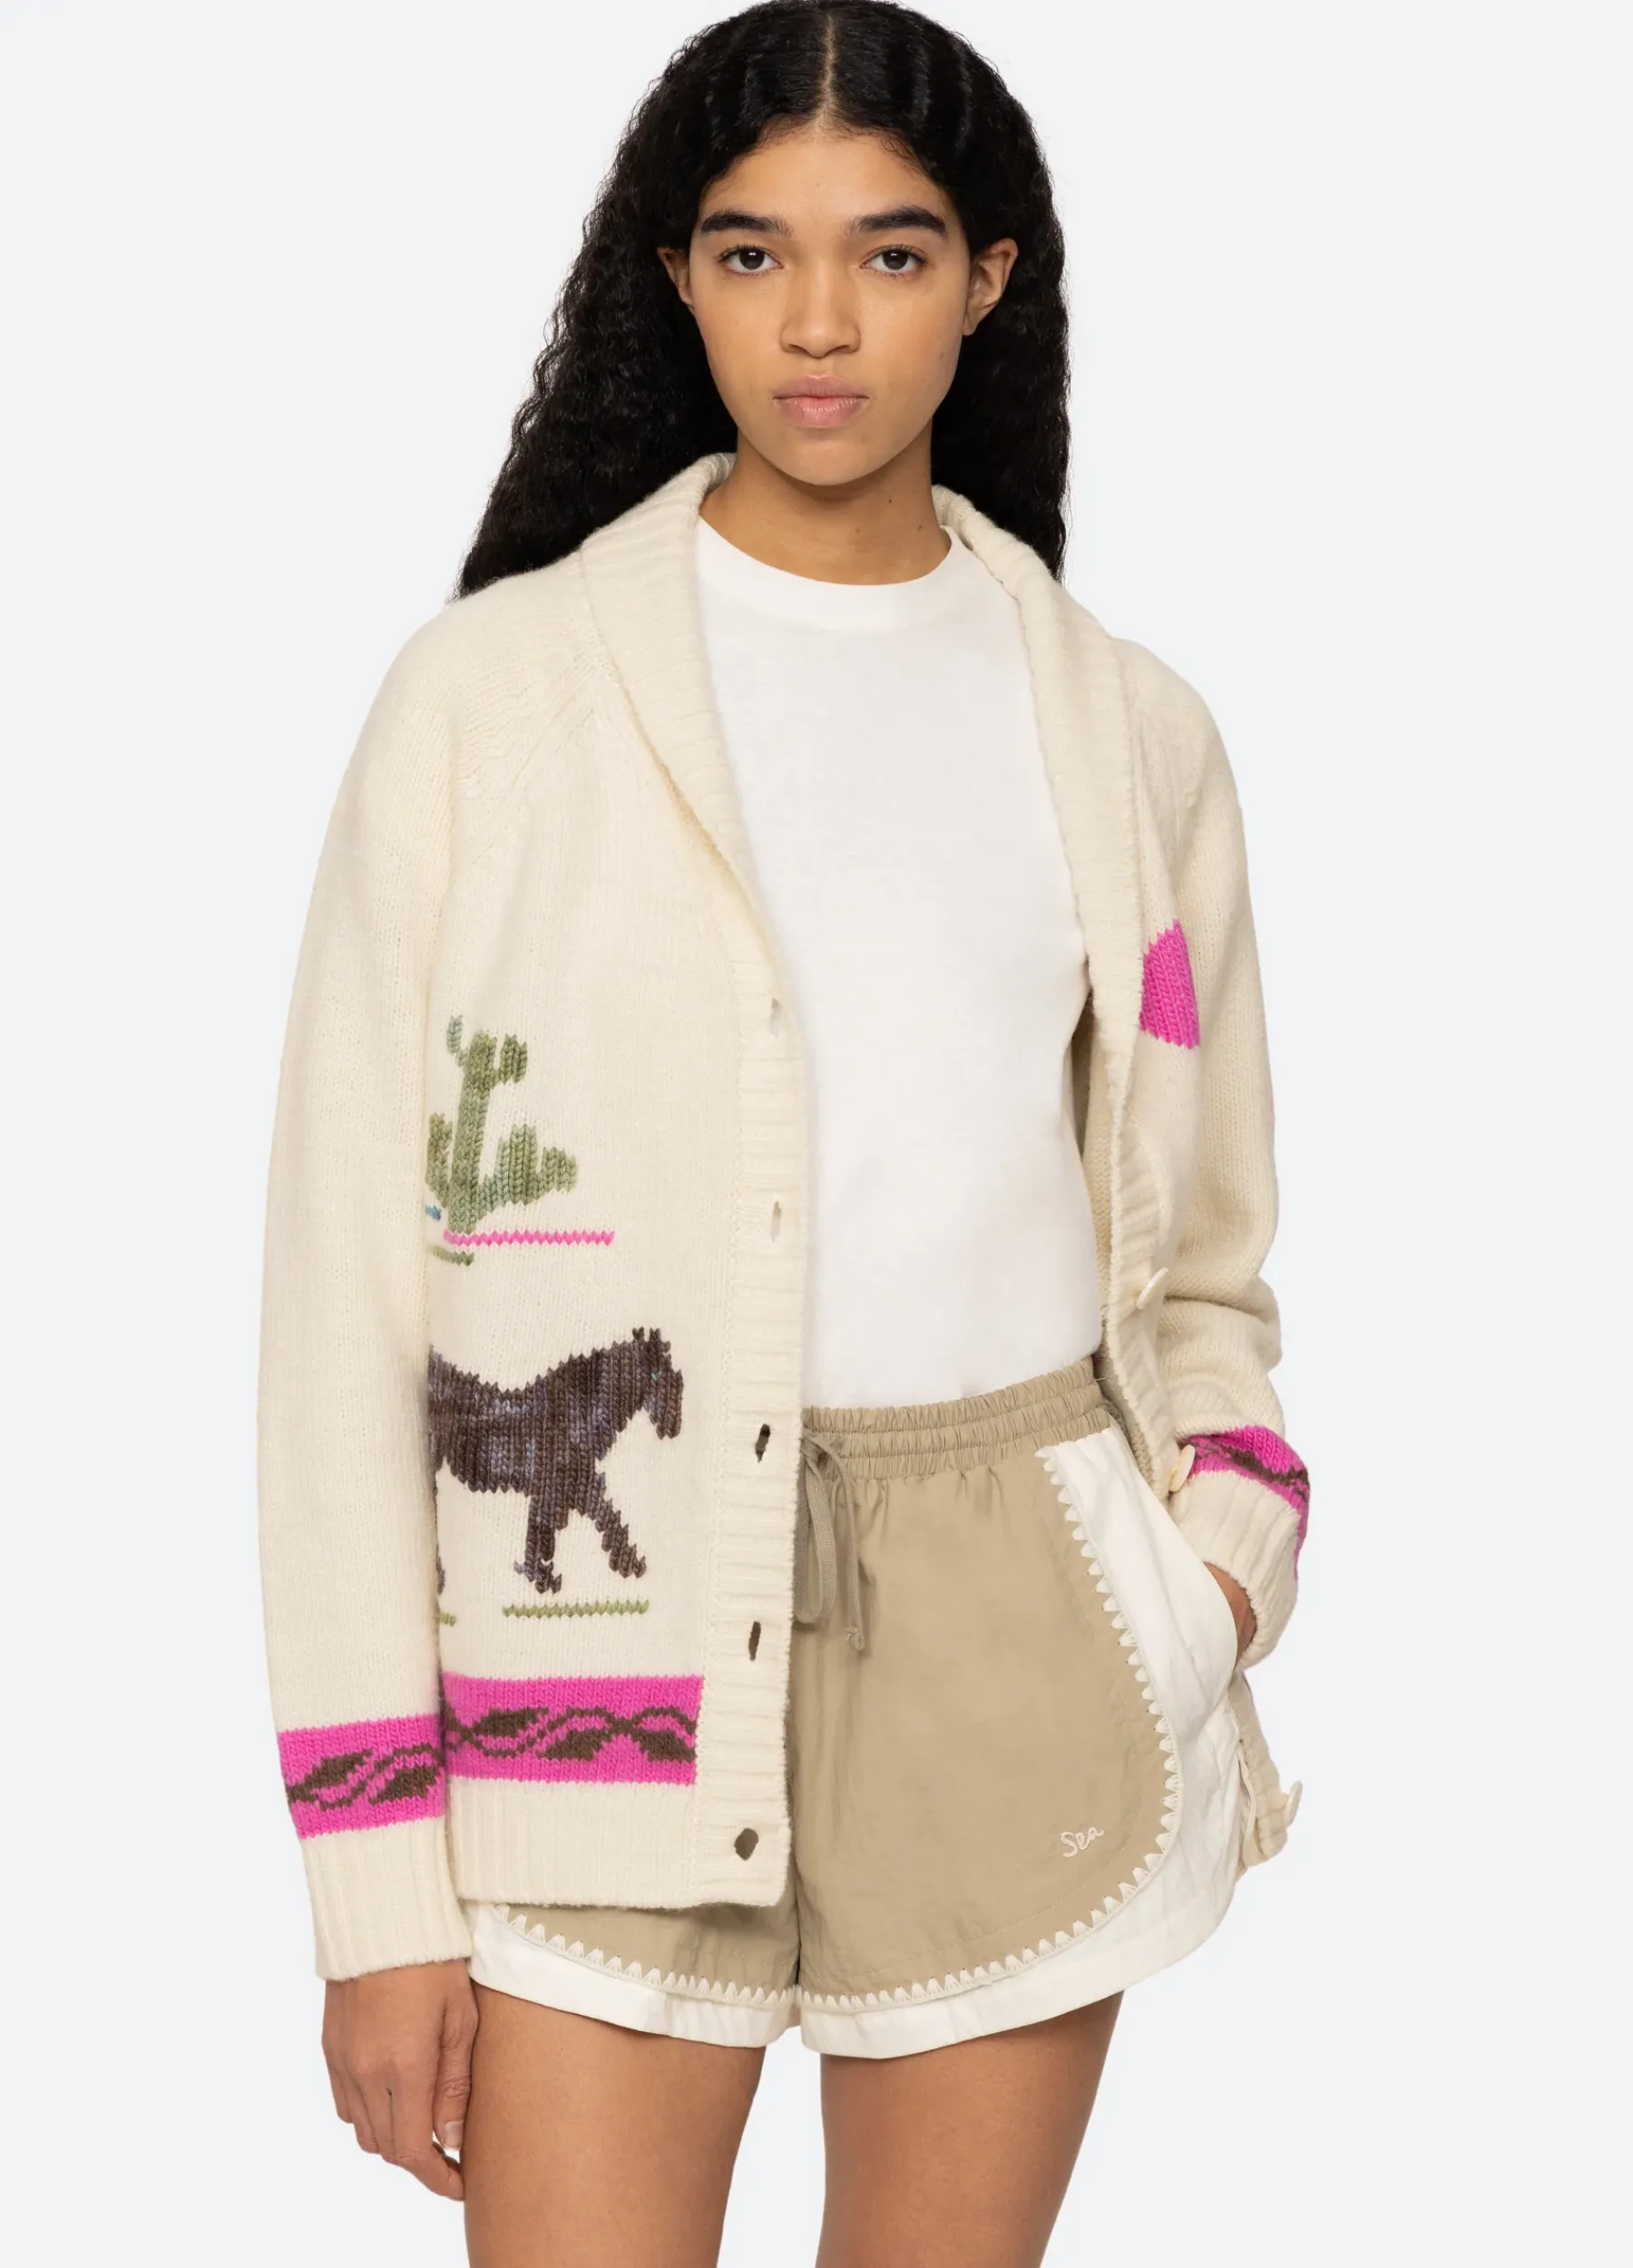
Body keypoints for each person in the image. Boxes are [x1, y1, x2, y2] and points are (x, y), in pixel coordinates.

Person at [257, 4, 1308, 2261]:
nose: (820, 320)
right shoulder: (491, 701)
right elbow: (344, 1311)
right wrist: (374, 1883)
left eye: (892, 252)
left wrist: (1212, 1564)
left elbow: (1206, 1247)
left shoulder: (1131, 736)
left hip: (1018, 1631)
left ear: (990, 279)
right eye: (753, 252)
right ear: (677, 277)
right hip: (600, 1644)